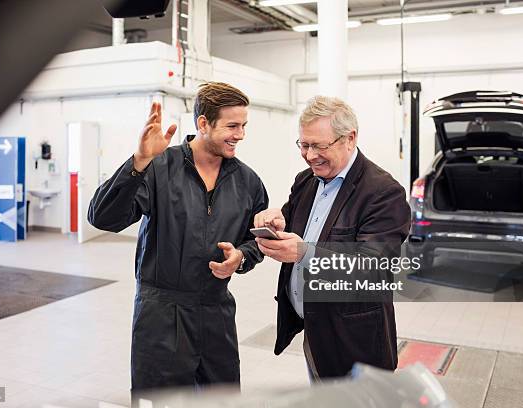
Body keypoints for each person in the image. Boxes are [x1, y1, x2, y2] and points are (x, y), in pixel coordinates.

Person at [88, 82, 268, 393]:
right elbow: (103, 217)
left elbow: (257, 240)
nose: (241, 134)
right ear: (203, 124)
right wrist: (139, 162)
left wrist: (241, 257)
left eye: (244, 125)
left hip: (216, 312)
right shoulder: (160, 167)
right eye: (232, 126)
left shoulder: (247, 181)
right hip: (161, 316)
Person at [253, 95, 410, 380]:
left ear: (350, 138)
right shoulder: (306, 180)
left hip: (357, 345)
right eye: (304, 145)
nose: (311, 155)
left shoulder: (383, 193)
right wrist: (276, 218)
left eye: (319, 146)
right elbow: (293, 219)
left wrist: (305, 253)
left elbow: (372, 268)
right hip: (315, 334)